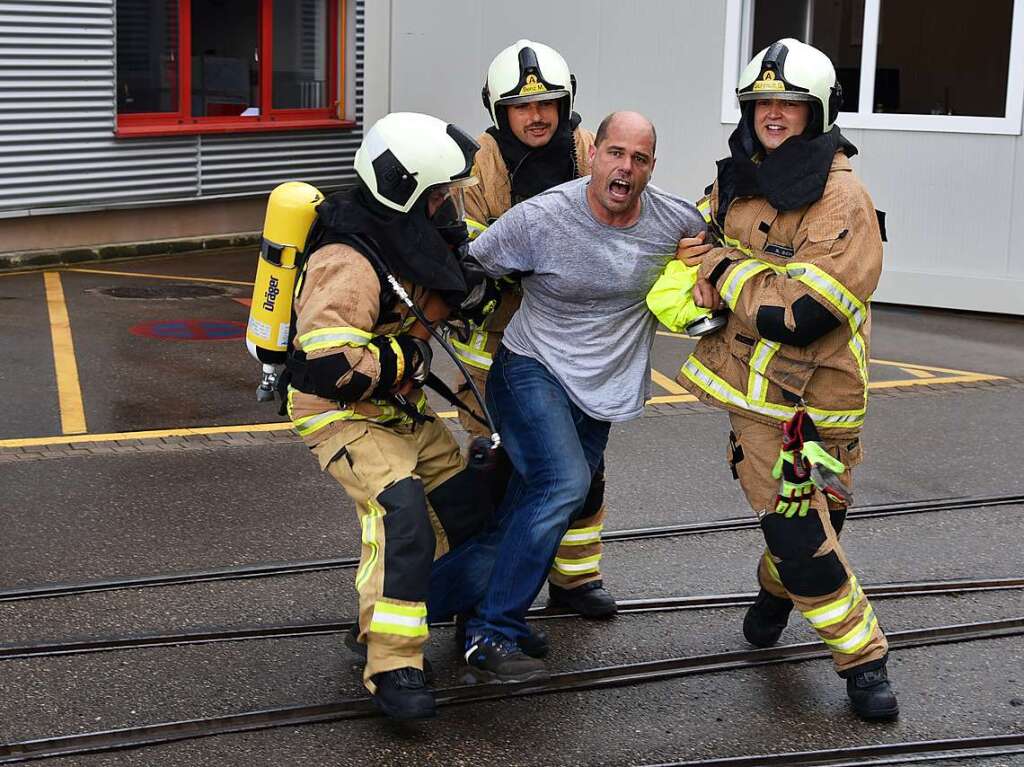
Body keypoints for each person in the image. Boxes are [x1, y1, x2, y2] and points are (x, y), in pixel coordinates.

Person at [651, 38, 897, 720]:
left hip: (831, 400)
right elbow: (689, 258)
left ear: (818, 111)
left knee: (824, 524)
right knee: (801, 535)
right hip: (758, 404)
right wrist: (700, 262)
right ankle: (866, 660)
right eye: (762, 103)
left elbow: (802, 314)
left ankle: (772, 595)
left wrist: (726, 271)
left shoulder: (842, 199)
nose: (774, 114)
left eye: (789, 102)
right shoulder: (735, 179)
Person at [459, 111, 706, 682]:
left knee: (537, 507)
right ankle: (492, 634)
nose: (626, 168)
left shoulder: (678, 221)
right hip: (531, 369)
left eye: (639, 159)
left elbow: (713, 260)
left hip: (602, 390)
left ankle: (426, 603)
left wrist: (706, 268)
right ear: (594, 154)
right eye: (616, 153)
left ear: (651, 167)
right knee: (563, 483)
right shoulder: (541, 218)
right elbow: (466, 267)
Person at [283, 111, 497, 720]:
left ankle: (388, 622)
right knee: (401, 517)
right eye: (438, 197)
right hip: (340, 415)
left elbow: (426, 294)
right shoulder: (346, 259)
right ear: (406, 191)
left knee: (466, 512)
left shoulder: (403, 235)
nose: (448, 208)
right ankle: (392, 665)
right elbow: (327, 365)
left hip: (397, 409)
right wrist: (407, 352)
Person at [452, 39, 617, 619]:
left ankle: (574, 578)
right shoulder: (479, 167)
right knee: (498, 471)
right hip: (499, 348)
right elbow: (465, 255)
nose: (537, 115)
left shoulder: (589, 151)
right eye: (522, 107)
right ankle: (484, 592)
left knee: (584, 468)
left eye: (548, 102)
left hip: (579, 343)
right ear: (499, 111)